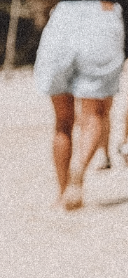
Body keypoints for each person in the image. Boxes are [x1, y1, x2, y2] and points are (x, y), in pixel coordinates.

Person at [33, 0, 125, 209]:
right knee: (94, 113)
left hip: (63, 19)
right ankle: (78, 174)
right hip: (101, 16)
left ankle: (62, 191)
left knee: (62, 121)